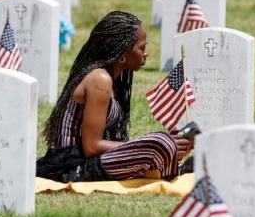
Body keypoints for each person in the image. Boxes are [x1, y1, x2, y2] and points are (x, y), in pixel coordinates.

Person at [36, 11, 193, 182]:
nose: (146, 53)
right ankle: (167, 164)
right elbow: (91, 146)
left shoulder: (111, 79)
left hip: (90, 161)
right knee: (160, 142)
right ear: (122, 53)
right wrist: (141, 146)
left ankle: (170, 165)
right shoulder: (99, 79)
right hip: (72, 167)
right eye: (141, 48)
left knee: (165, 140)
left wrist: (141, 146)